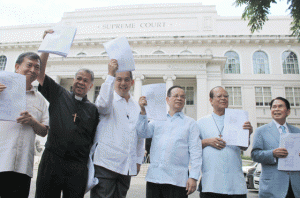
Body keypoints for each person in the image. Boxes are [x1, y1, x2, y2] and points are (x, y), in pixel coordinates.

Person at [35, 30, 99, 198]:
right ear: (73, 80)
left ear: (91, 86)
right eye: (78, 78)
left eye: (85, 80)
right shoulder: (59, 94)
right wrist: (46, 48)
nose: (81, 82)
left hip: (77, 166)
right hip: (52, 160)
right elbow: (40, 75)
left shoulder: (93, 109)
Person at [91, 59, 144, 198]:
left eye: (127, 80)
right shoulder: (108, 100)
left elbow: (139, 136)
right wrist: (110, 75)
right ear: (114, 81)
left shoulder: (135, 106)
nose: (123, 83)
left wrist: (138, 160)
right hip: (106, 163)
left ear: (132, 82)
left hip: (126, 166)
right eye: (118, 79)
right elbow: (102, 105)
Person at [137, 85, 202, 198]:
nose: (179, 98)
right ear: (167, 99)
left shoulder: (191, 123)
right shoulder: (157, 119)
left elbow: (196, 151)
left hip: (177, 180)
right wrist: (143, 111)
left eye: (182, 96)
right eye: (176, 96)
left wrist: (193, 177)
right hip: (155, 178)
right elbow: (142, 133)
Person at [0, 52, 49, 198]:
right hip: (2, 161)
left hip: (23, 168)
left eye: (37, 67)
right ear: (17, 66)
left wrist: (33, 122)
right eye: (29, 65)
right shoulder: (2, 90)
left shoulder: (40, 100)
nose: (33, 70)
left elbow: (44, 131)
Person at [197, 86, 253, 198]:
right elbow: (192, 148)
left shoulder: (239, 119)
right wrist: (207, 142)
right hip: (211, 183)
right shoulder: (200, 122)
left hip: (235, 184)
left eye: (226, 96)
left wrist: (248, 134)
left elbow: (244, 147)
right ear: (211, 100)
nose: (223, 98)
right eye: (219, 96)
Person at [251, 97, 300, 198]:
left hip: (295, 187)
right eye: (274, 107)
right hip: (272, 188)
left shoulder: (297, 131)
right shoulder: (261, 131)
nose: (276, 109)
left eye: (280, 106)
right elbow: (255, 155)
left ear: (288, 112)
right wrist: (272, 154)